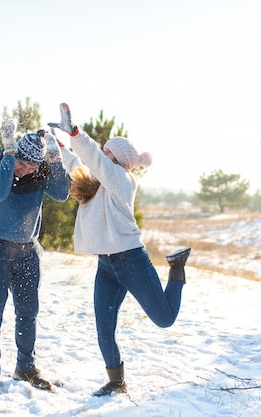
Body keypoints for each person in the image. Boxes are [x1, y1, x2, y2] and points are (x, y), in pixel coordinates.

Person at [49, 103, 191, 397]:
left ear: (121, 161)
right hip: (107, 266)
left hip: (131, 261)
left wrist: (75, 132)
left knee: (164, 319)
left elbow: (93, 159)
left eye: (108, 153)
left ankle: (177, 267)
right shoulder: (99, 183)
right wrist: (59, 145)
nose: (103, 157)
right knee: (104, 328)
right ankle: (116, 381)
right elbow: (78, 166)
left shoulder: (123, 180)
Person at [0, 119, 70, 396]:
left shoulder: (40, 170)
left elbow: (62, 194)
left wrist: (54, 157)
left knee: (28, 312)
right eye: (23, 165)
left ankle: (25, 367)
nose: (26, 171)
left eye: (32, 167)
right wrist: (9, 154)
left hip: (27, 251)